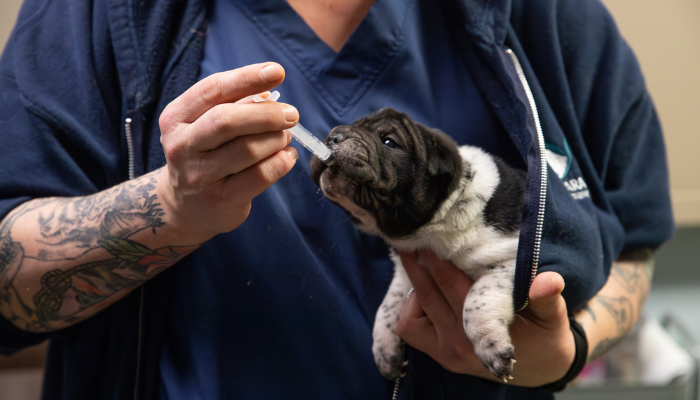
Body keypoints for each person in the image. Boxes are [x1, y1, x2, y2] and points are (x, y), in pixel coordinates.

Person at [0, 0, 674, 399]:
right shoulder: (96, 15)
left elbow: (635, 244)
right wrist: (173, 209)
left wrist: (568, 347)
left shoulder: (551, 17)